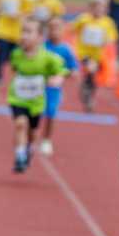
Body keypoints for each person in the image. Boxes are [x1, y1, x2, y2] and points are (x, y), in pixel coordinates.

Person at [6, 19, 67, 173]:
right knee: (20, 124)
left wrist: (58, 78)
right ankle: (20, 156)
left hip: (36, 101)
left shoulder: (47, 57)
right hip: (18, 98)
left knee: (32, 132)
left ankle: (28, 148)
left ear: (40, 37)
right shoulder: (16, 54)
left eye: (29, 32)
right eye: (23, 31)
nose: (24, 36)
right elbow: (13, 68)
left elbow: (61, 69)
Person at [70, 0, 119, 112]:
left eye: (101, 7)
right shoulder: (84, 19)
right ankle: (88, 97)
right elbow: (72, 28)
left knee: (93, 77)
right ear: (90, 8)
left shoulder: (108, 23)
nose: (98, 10)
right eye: (95, 7)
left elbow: (112, 38)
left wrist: (108, 41)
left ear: (106, 9)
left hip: (99, 55)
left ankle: (87, 92)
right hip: (84, 52)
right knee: (91, 70)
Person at [39, 17, 79, 156]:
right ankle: (31, 137)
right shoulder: (42, 47)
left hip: (53, 89)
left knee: (51, 113)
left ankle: (46, 140)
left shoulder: (66, 50)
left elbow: (74, 71)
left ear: (63, 31)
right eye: (51, 28)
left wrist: (61, 75)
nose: (54, 32)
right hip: (38, 87)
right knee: (34, 113)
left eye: (57, 28)